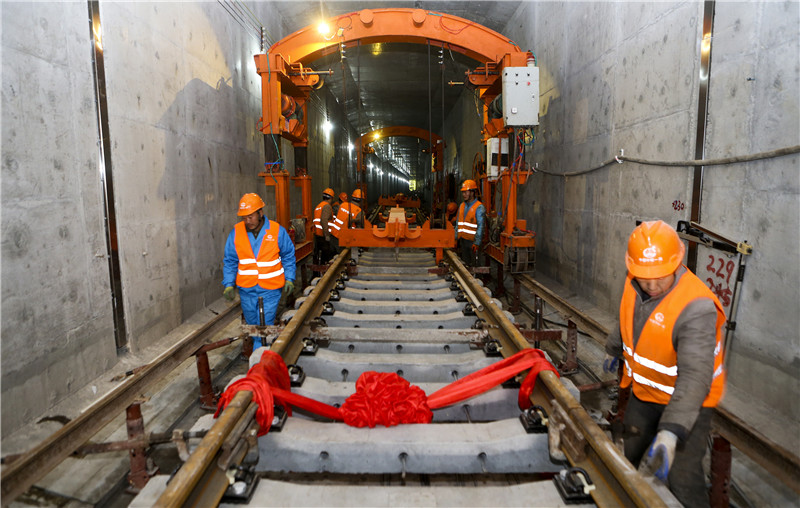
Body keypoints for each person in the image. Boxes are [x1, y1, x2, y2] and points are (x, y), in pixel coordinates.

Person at [604, 220, 726, 507]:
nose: (652, 284)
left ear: (677, 263)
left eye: (660, 276)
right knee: (627, 453)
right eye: (644, 277)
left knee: (683, 479)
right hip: (646, 394)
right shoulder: (635, 279)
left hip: (690, 403)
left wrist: (671, 433)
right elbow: (628, 315)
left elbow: (695, 377)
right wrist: (613, 348)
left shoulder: (696, 306)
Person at [222, 193, 296, 349]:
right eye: (244, 218)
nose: (247, 221)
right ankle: (260, 356)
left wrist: (289, 278)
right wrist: (228, 283)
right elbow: (230, 260)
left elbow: (288, 255)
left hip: (270, 289)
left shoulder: (276, 231)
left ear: (260, 213)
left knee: (264, 327)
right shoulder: (236, 233)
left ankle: (259, 358)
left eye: (251, 217)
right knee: (253, 326)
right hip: (246, 290)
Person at [454, 180, 485, 266]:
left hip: (473, 243)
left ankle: (478, 278)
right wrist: (456, 238)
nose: (464, 194)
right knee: (465, 265)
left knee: (475, 266)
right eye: (463, 192)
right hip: (463, 241)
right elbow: (458, 223)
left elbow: (481, 227)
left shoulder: (479, 207)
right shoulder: (462, 206)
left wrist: (477, 242)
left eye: (466, 192)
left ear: (472, 192)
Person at [312, 188, 335, 265]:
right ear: (331, 198)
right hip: (323, 235)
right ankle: (323, 270)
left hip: (317, 235)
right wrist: (327, 235)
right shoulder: (327, 206)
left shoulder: (319, 206)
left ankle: (317, 273)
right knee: (326, 257)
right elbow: (324, 220)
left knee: (318, 256)